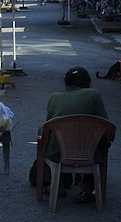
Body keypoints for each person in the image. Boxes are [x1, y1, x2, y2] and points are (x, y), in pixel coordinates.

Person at [40, 66, 109, 202]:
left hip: (59, 152)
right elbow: (105, 126)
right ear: (86, 83)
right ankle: (88, 182)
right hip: (89, 151)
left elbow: (47, 127)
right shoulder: (94, 95)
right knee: (103, 142)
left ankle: (57, 185)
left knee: (46, 143)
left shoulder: (55, 97)